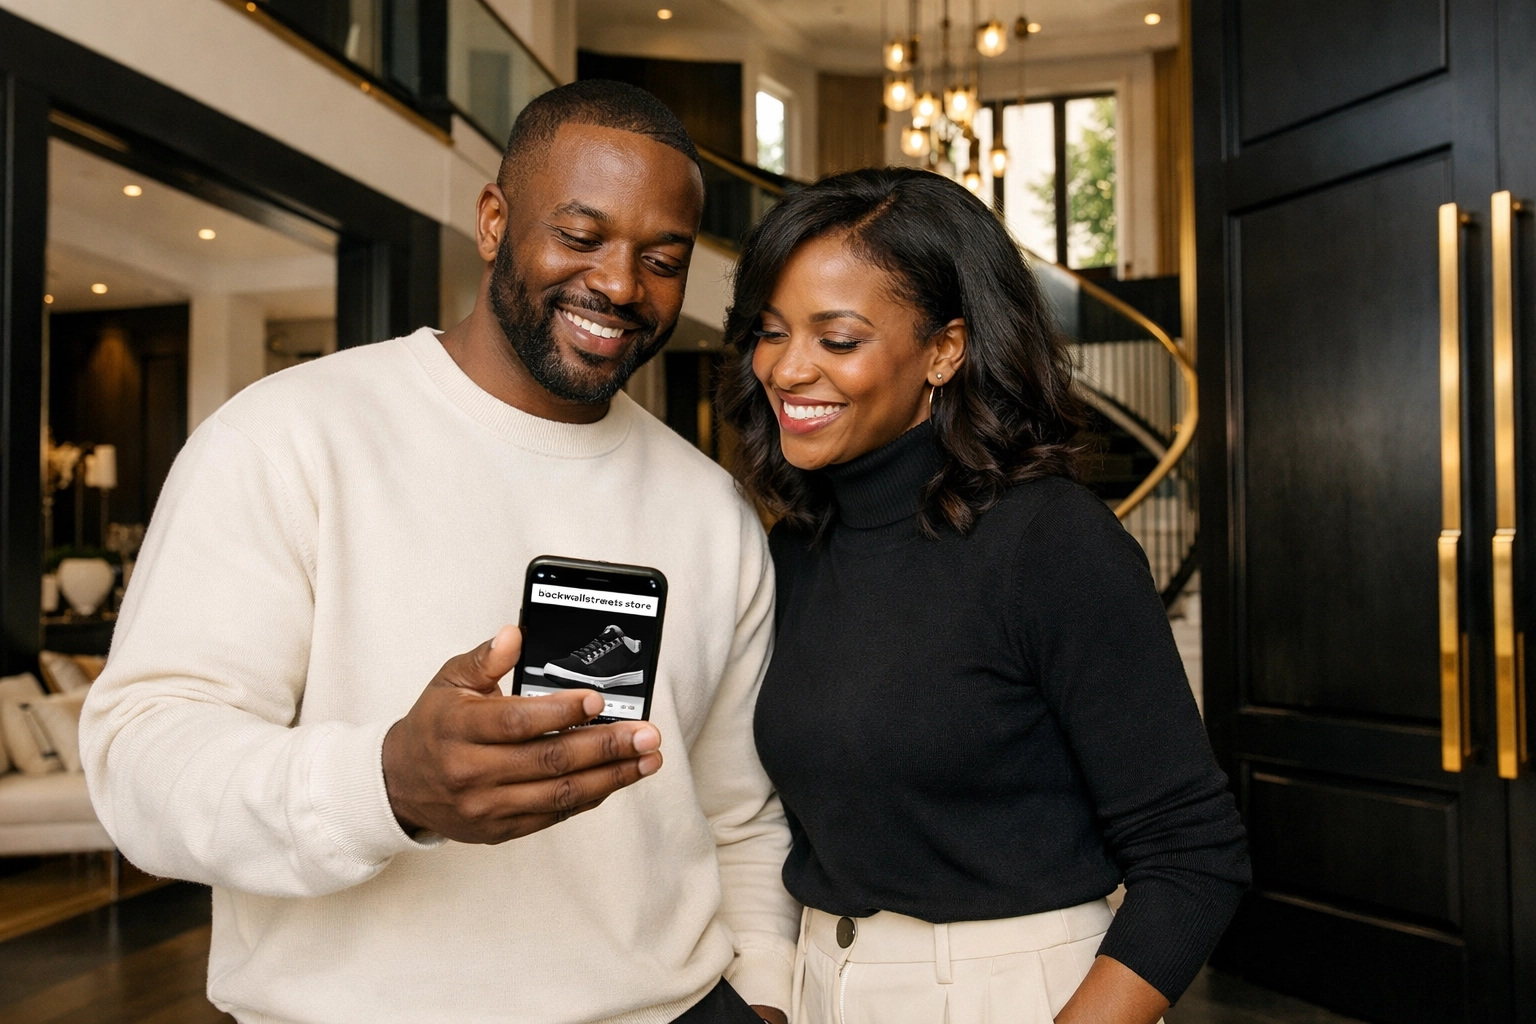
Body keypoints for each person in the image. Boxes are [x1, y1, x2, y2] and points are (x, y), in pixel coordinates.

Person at [80, 81, 797, 1024]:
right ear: (494, 221)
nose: (621, 285)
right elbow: (141, 765)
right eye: (580, 238)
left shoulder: (711, 509)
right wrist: (387, 783)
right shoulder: (287, 437)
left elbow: (741, 815)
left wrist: (769, 999)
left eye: (660, 260)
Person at [717, 167, 1250, 1024]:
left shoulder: (1051, 541)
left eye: (838, 339)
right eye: (770, 333)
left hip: (1010, 994)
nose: (787, 368)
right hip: (824, 983)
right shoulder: (796, 546)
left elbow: (1194, 857)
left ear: (945, 348)